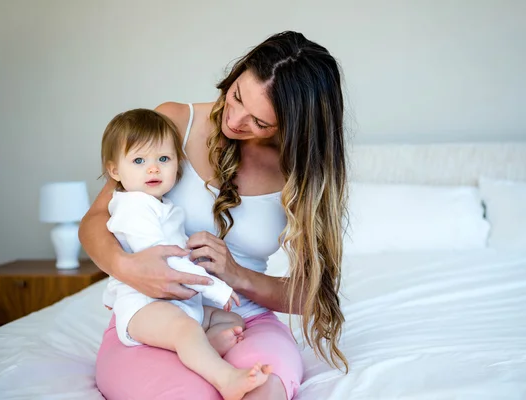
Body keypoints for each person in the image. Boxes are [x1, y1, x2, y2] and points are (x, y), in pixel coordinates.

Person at [79, 30, 349, 400]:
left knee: (262, 387)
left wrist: (237, 275)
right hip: (153, 315)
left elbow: (312, 296)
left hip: (242, 319)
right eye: (237, 96)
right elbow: (95, 221)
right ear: (236, 73)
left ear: (294, 125)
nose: (235, 120)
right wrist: (129, 269)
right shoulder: (175, 121)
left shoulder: (303, 173)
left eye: (260, 122)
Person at [99, 108, 272, 400]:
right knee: (185, 330)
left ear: (178, 163)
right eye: (139, 161)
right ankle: (226, 378)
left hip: (174, 302)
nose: (153, 169)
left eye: (163, 159)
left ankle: (201, 348)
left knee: (232, 322)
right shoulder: (132, 208)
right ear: (115, 170)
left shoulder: (160, 205)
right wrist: (217, 287)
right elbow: (164, 262)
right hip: (144, 306)